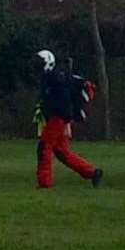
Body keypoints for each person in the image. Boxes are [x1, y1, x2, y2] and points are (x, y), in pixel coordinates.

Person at [35, 49, 103, 189]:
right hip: (58, 118)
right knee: (61, 152)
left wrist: (65, 120)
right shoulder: (51, 78)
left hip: (57, 118)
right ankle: (91, 172)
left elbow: (63, 103)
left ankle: (44, 183)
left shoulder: (56, 79)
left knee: (44, 147)